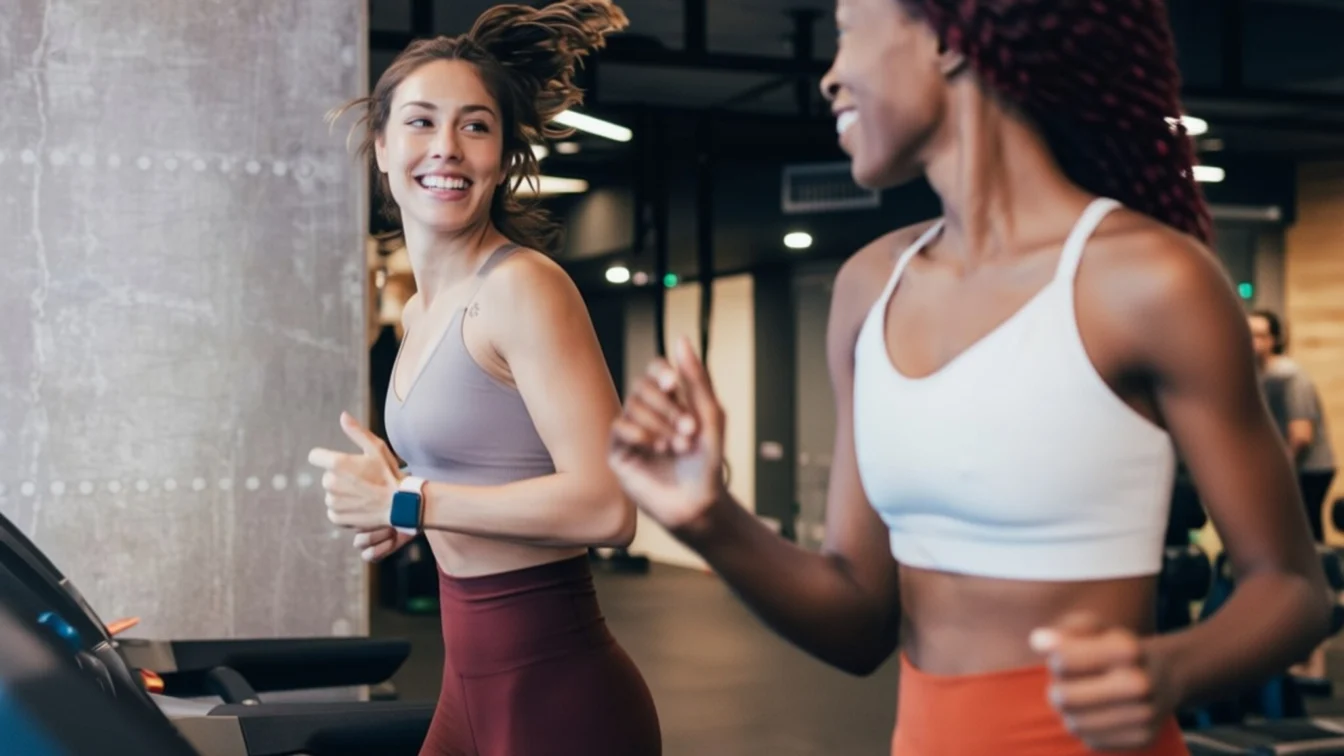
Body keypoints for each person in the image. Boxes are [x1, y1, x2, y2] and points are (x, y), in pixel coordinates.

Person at [608, 1, 1332, 754]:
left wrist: (1166, 669)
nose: (829, 78)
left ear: (952, 37)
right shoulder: (869, 288)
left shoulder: (1147, 281)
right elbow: (859, 620)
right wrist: (708, 518)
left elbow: (1291, 588)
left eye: (849, 32)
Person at [308, 2, 662, 754]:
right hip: (467, 682)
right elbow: (480, 475)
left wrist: (412, 498)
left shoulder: (523, 286)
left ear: (502, 156)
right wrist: (399, 506)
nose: (447, 147)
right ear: (380, 146)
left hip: (559, 693)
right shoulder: (417, 313)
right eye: (421, 122)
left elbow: (608, 508)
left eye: (475, 126)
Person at [1249, 310, 1337, 543]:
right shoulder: (1259, 376)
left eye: (1259, 335)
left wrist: (1281, 470)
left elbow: (1301, 435)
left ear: (1274, 340)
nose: (1253, 342)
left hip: (1309, 468)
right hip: (1287, 466)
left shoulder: (1290, 377)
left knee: (1305, 535)